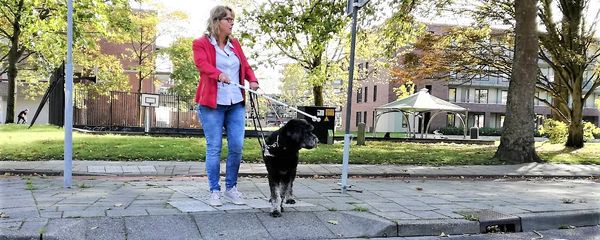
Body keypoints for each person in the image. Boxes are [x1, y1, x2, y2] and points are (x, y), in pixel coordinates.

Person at [192, 5, 259, 207]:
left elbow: (245, 66)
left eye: (232, 20)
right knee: (214, 147)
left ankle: (231, 188)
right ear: (217, 21)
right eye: (228, 19)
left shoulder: (235, 44)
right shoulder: (201, 43)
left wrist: (253, 80)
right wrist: (218, 74)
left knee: (237, 146)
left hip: (235, 102)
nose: (231, 23)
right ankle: (214, 190)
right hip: (212, 103)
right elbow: (202, 64)